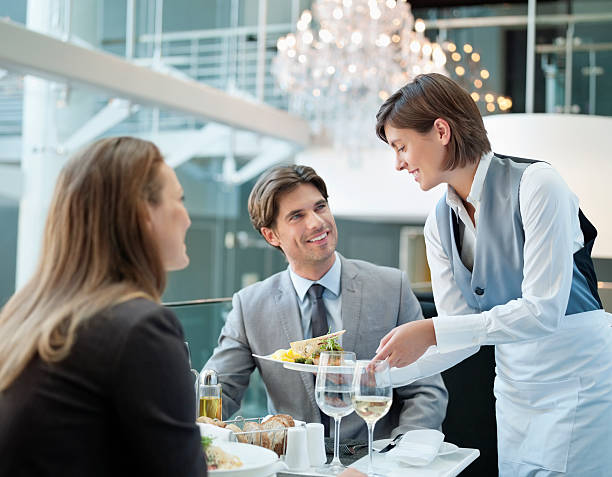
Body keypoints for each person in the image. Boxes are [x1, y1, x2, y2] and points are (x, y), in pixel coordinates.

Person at [373, 73, 612, 476]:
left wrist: (430, 331)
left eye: (401, 147)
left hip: (578, 379)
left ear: (441, 130)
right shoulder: (439, 222)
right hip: (516, 387)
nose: (398, 163)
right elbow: (459, 336)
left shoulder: (538, 185)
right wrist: (375, 374)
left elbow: (542, 312)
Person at [0, 137, 206, 476]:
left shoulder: (30, 317)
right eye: (179, 199)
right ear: (143, 214)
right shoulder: (140, 329)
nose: (187, 218)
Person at [204, 165, 448, 441]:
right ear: (271, 235)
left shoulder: (392, 288)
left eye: (320, 207)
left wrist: (399, 459)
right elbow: (217, 392)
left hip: (375, 462)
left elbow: (425, 391)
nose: (316, 222)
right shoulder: (250, 306)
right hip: (293, 465)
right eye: (297, 216)